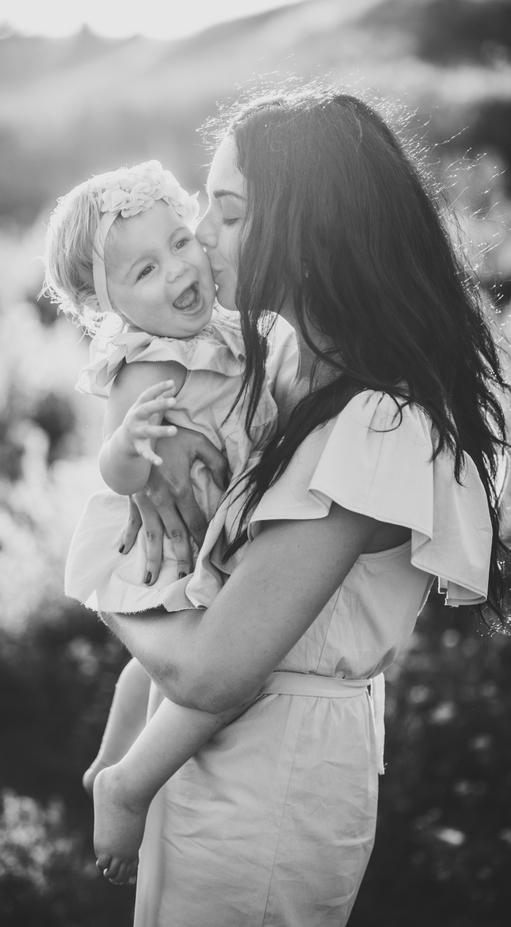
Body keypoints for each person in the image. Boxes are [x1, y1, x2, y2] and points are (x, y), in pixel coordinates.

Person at [101, 86, 510, 926]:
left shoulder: (382, 422)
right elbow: (132, 333)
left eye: (228, 213)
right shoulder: (282, 357)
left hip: (275, 786)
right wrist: (150, 441)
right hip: (201, 753)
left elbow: (215, 665)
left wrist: (106, 586)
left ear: (312, 235)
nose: (201, 240)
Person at [42, 159, 297, 886]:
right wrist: (131, 448)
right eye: (146, 271)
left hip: (221, 526)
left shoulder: (228, 329)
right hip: (183, 547)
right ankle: (130, 783)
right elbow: (117, 476)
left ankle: (105, 763)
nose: (180, 270)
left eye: (182, 242)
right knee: (222, 673)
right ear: (108, 304)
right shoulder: (143, 362)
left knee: (144, 669)